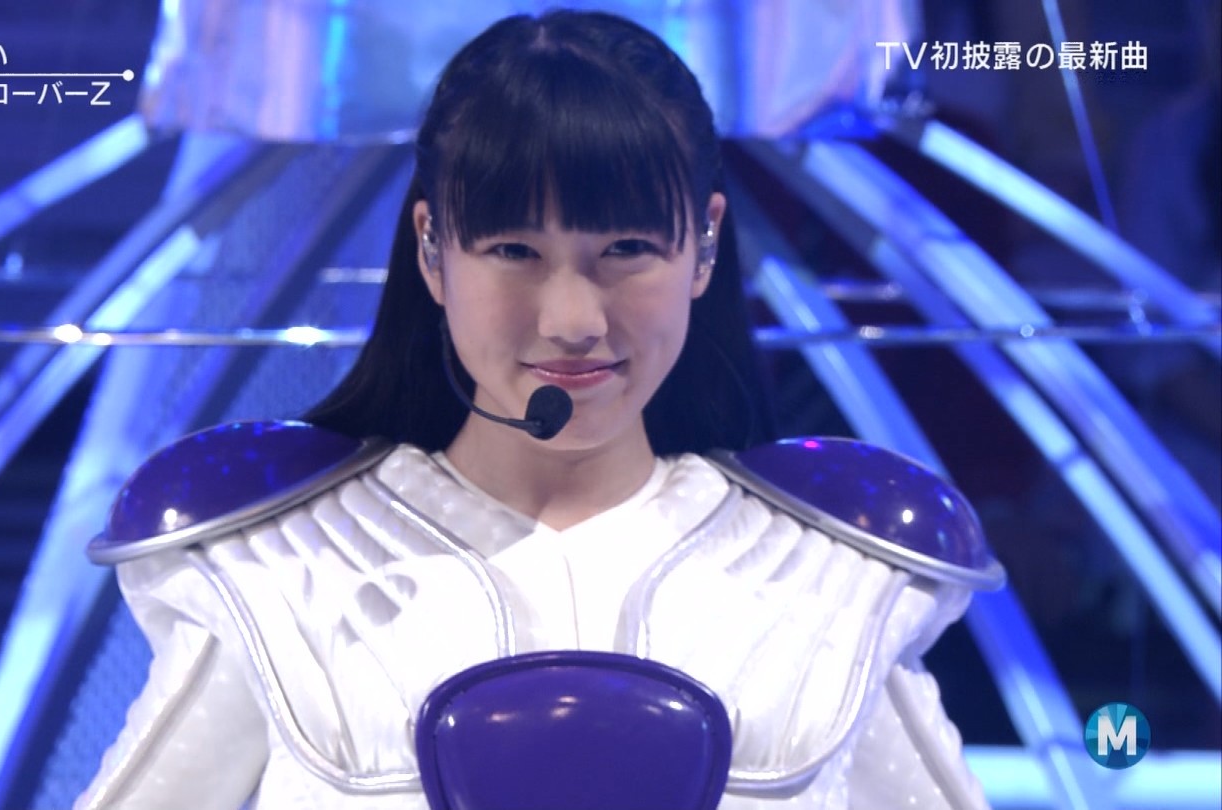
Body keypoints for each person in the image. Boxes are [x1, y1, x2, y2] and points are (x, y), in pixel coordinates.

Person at [76, 9, 998, 809]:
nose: (573, 321)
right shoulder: (279, 568)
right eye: (514, 251)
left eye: (627, 249)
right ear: (433, 248)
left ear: (705, 243)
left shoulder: (834, 580)